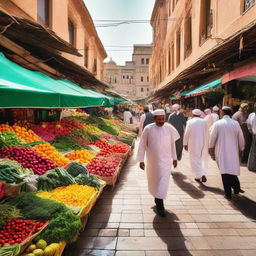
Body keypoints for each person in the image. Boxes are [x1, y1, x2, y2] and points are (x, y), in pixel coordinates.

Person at [137, 109, 180, 217]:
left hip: (166, 161)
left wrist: (174, 158)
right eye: (159, 119)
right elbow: (142, 145)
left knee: (163, 182)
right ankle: (157, 198)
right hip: (153, 162)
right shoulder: (148, 129)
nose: (161, 121)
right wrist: (141, 160)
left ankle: (160, 206)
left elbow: (172, 144)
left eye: (163, 119)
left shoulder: (169, 128)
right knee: (155, 182)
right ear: (154, 119)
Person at [209, 106, 245, 200]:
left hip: (221, 151)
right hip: (233, 151)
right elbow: (240, 137)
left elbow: (212, 137)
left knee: (224, 171)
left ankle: (228, 193)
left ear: (222, 113)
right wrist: (241, 148)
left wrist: (211, 147)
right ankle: (236, 188)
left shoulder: (217, 124)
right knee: (232, 170)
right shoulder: (235, 124)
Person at [183, 109, 208, 182]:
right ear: (200, 115)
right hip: (203, 142)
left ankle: (200, 174)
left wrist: (185, 143)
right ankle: (199, 175)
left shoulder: (190, 122)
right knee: (200, 158)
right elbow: (206, 133)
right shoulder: (204, 121)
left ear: (193, 114)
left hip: (193, 143)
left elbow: (186, 133)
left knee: (194, 159)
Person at [247, 103, 256, 171]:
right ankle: (251, 166)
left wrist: (250, 131)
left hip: (253, 134)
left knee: (252, 151)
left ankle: (251, 166)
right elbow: (248, 125)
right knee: (253, 151)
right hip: (254, 134)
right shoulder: (251, 115)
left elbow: (248, 125)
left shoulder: (251, 115)